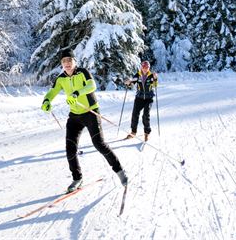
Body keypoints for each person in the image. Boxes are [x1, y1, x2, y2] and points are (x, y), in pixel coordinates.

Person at [41, 49, 128, 193]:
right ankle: (77, 178)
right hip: (75, 115)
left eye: (69, 60)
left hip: (90, 112)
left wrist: (77, 92)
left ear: (75, 61)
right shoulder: (61, 78)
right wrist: (46, 100)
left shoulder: (83, 72)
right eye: (64, 61)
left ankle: (120, 171)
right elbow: (53, 91)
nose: (67, 64)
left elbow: (92, 86)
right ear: (61, 64)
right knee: (70, 148)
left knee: (99, 144)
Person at [124, 60, 158, 141]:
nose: (145, 69)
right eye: (144, 67)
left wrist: (156, 79)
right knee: (135, 114)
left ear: (149, 68)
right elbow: (132, 82)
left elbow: (155, 85)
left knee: (146, 115)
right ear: (141, 67)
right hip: (139, 97)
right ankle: (133, 132)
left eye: (147, 67)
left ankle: (146, 133)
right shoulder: (138, 75)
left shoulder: (151, 75)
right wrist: (128, 82)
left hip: (148, 98)